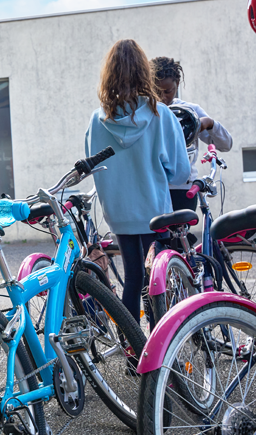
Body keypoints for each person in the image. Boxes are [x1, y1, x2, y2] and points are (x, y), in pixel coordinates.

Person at [85, 39, 190, 324]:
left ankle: (133, 355)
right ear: (144, 72)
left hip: (119, 214)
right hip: (155, 213)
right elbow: (181, 172)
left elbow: (93, 168)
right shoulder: (160, 115)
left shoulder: (97, 121)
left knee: (133, 279)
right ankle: (161, 354)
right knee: (157, 283)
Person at [150, 56, 233, 212]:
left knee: (180, 235)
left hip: (184, 189)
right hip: (153, 188)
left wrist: (209, 123)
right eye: (155, 91)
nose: (162, 97)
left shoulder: (189, 111)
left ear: (178, 84)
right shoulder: (144, 114)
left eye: (168, 91)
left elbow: (226, 145)